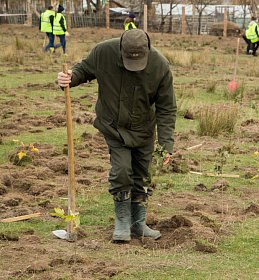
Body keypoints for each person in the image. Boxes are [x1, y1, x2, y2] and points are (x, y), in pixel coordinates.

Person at [57, 29, 177, 242]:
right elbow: (84, 70)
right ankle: (122, 222)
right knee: (122, 170)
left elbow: (166, 108)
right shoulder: (104, 52)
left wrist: (166, 143)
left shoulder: (160, 66)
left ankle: (138, 224)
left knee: (142, 175)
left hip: (143, 129)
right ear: (121, 50)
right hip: (113, 126)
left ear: (147, 52)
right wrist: (70, 77)